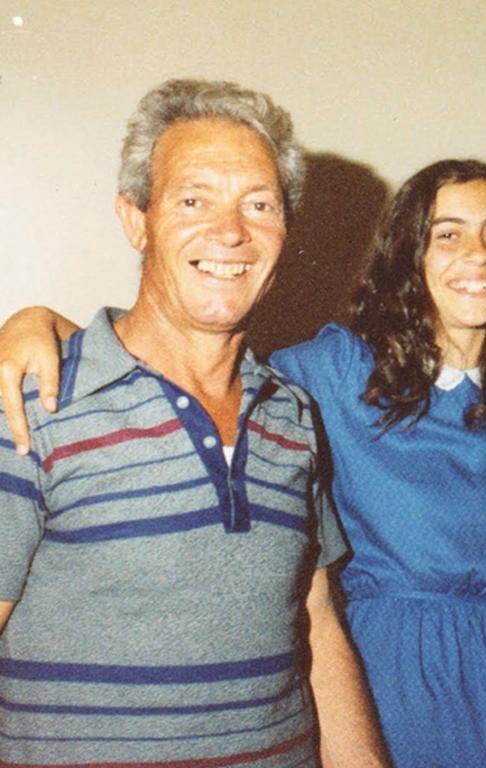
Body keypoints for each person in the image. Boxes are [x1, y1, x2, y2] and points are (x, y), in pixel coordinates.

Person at [0, 159, 486, 767]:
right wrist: (37, 323)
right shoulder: (332, 370)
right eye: (447, 234)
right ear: (409, 253)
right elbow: (191, 363)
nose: (478, 255)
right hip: (392, 673)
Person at [0, 79, 387, 766]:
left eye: (259, 204)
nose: (231, 232)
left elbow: (318, 624)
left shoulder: (292, 416)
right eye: (192, 199)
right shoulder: (32, 404)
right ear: (135, 219)